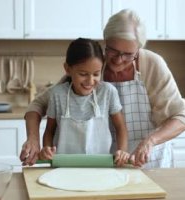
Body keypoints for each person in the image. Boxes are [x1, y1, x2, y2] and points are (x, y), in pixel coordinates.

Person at [20, 9, 185, 168]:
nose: (118, 60)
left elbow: (181, 118)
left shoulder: (152, 64)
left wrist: (150, 141)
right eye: (113, 51)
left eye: (128, 55)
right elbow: (37, 105)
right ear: (105, 42)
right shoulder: (94, 67)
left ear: (138, 49)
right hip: (110, 163)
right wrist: (33, 140)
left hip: (149, 161)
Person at [34, 38, 129, 167]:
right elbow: (49, 131)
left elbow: (121, 128)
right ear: (68, 69)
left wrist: (122, 151)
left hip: (100, 167)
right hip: (64, 167)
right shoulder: (57, 94)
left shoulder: (108, 92)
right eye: (83, 74)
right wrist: (47, 149)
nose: (90, 81)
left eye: (96, 74)